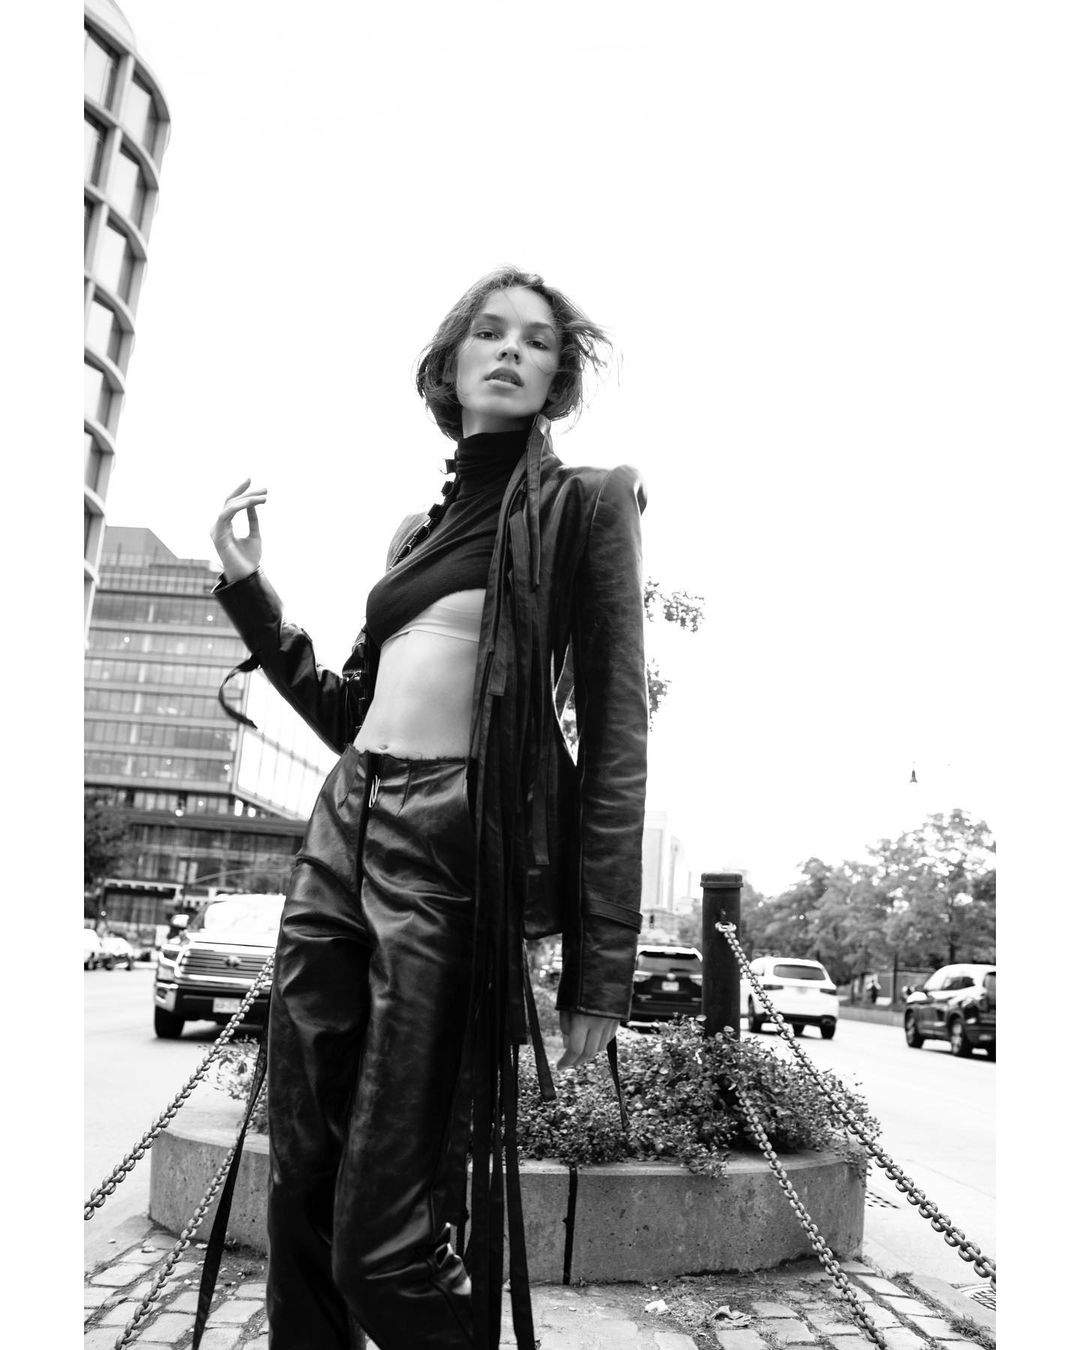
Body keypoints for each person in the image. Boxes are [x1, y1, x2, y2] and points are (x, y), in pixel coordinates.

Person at [209, 267, 648, 1350]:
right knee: (301, 1179)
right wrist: (253, 596)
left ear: (557, 379)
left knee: (386, 1236)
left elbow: (616, 738)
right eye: (488, 332)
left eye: (537, 341)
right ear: (450, 363)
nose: (511, 350)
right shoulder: (417, 532)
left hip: (452, 846)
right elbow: (350, 710)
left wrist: (600, 967)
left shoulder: (585, 505)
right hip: (343, 822)